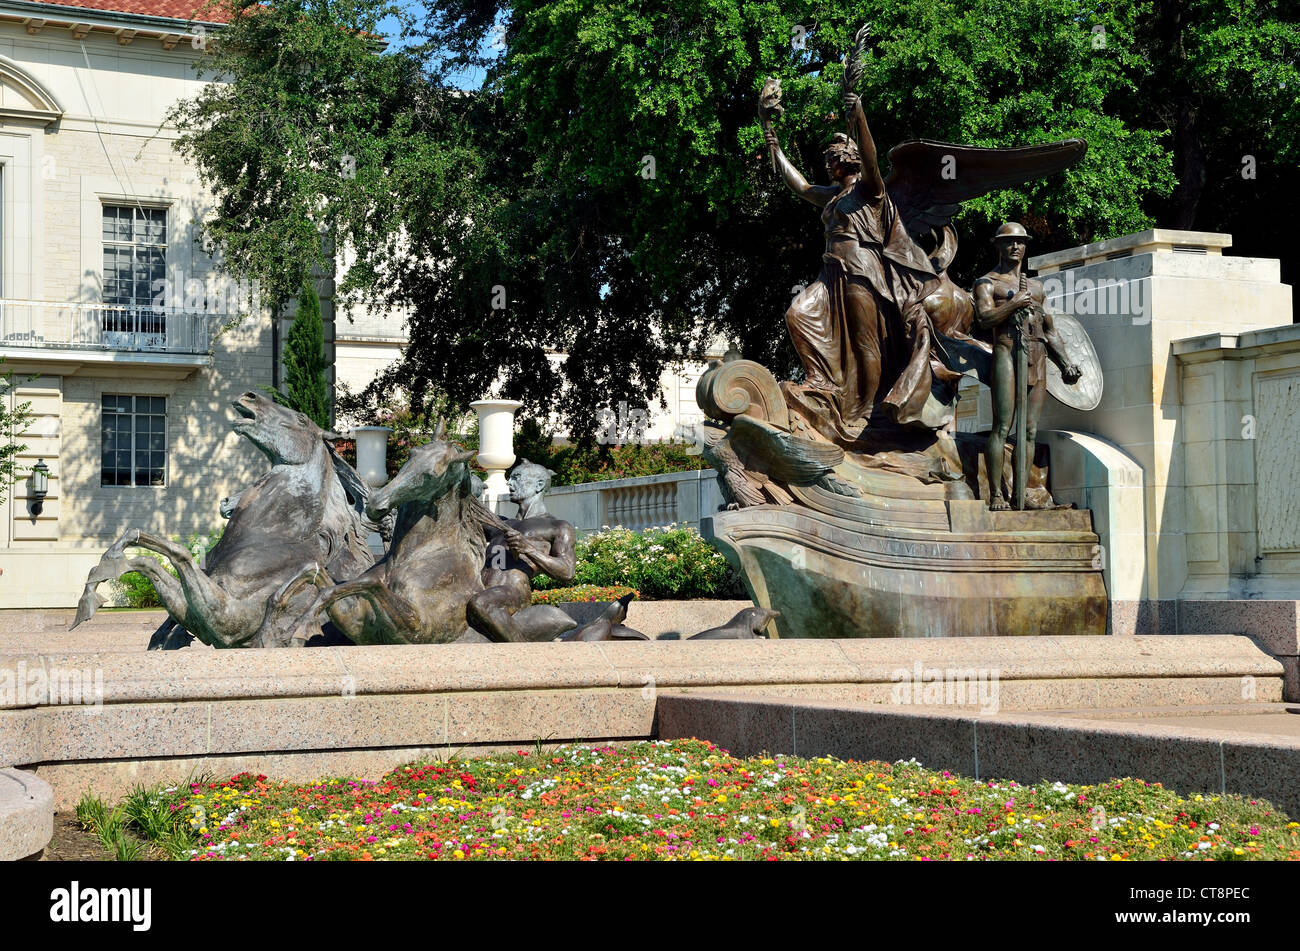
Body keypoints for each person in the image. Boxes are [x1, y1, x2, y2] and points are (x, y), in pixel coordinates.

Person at [764, 89, 946, 443]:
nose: (828, 162)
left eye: (834, 156)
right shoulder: (832, 197)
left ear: (850, 158)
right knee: (798, 314)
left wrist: (857, 109)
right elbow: (800, 186)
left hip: (861, 271)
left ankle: (866, 409)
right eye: (827, 157)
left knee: (866, 344)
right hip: (830, 271)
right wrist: (774, 142)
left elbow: (872, 155)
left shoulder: (870, 189)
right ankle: (821, 380)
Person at [973, 222, 1082, 509]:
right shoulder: (987, 282)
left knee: (1030, 429)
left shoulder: (1037, 287)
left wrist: (1067, 363)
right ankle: (997, 493)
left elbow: (1049, 330)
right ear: (998, 245)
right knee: (1002, 426)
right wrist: (1013, 305)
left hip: (1037, 356)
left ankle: (1021, 492)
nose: (1016, 247)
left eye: (1021, 242)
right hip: (1006, 353)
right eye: (1010, 242)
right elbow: (984, 319)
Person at [466, 459, 578, 642]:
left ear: (539, 485)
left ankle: (522, 650)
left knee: (482, 603)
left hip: (512, 594)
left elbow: (567, 571)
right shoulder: (500, 524)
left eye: (516, 478)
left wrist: (528, 549)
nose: (509, 483)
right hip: (481, 588)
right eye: (510, 478)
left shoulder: (556, 526)